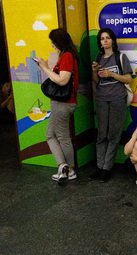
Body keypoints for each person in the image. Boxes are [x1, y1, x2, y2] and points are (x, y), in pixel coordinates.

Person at [88, 28, 132, 183]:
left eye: (107, 38)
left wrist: (111, 74)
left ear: (113, 40)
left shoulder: (120, 57)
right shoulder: (98, 57)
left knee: (113, 134)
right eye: (102, 38)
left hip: (118, 99)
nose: (105, 41)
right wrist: (95, 72)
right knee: (101, 135)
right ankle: (99, 166)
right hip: (101, 99)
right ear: (99, 42)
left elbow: (128, 79)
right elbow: (96, 82)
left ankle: (107, 168)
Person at [36, 28, 79, 184]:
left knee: (61, 137)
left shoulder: (67, 56)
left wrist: (45, 68)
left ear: (59, 42)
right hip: (63, 104)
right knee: (50, 135)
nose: (52, 46)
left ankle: (70, 169)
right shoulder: (68, 55)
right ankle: (63, 166)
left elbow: (62, 80)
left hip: (62, 104)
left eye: (53, 42)